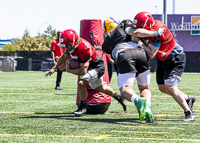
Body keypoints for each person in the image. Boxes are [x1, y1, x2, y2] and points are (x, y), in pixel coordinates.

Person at [126, 12, 196, 121]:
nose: (138, 29)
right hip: (163, 59)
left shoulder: (158, 30)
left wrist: (140, 42)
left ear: (147, 25)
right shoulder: (148, 31)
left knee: (171, 87)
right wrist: (135, 33)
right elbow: (134, 31)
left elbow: (151, 54)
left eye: (141, 26)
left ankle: (189, 113)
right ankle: (187, 98)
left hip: (175, 57)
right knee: (162, 88)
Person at [44, 29, 126, 116]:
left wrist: (69, 70)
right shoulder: (72, 45)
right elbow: (64, 56)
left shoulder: (85, 48)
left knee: (81, 83)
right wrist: (54, 68)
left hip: (97, 67)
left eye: (68, 46)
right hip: (90, 66)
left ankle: (82, 107)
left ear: (74, 42)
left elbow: (83, 71)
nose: (67, 48)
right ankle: (119, 97)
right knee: (100, 88)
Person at [102, 17, 154, 123]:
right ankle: (147, 107)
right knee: (145, 88)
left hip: (124, 54)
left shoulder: (106, 43)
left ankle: (138, 100)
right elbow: (136, 31)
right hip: (141, 53)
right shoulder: (124, 24)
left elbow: (114, 60)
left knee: (125, 90)